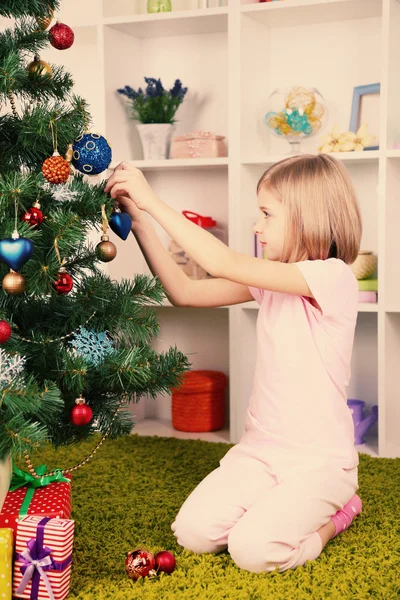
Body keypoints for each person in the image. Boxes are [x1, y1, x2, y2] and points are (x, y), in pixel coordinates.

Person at [104, 154, 363, 573]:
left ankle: (339, 515)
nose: (257, 227)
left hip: (319, 462)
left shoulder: (333, 278)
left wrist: (151, 199)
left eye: (266, 214)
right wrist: (140, 225)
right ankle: (277, 503)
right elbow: (185, 292)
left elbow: (221, 262)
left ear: (306, 216)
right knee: (192, 533)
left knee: (253, 551)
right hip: (260, 454)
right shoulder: (271, 280)